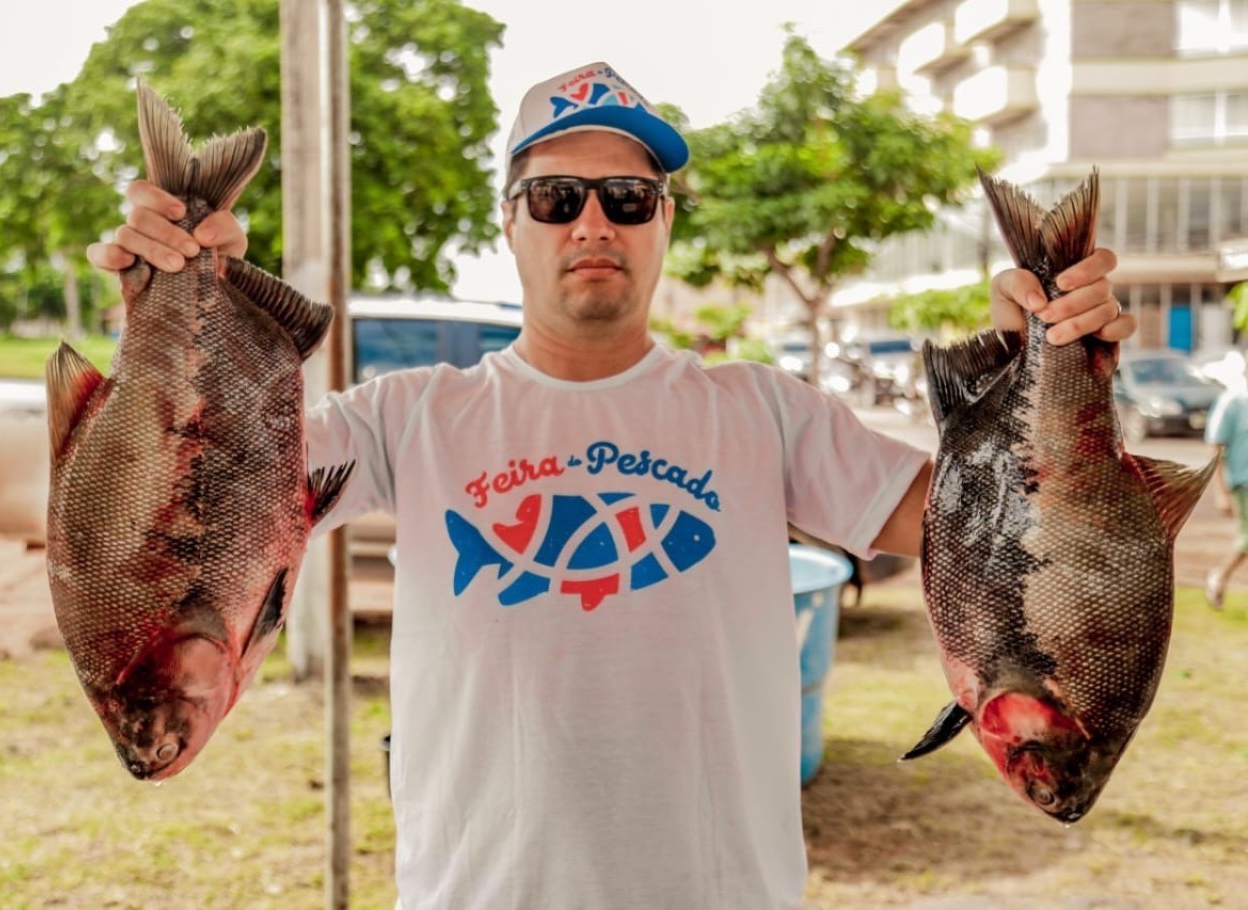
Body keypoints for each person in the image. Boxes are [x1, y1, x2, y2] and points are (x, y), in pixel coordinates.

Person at [88, 61, 1133, 910]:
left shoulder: (765, 410)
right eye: (557, 197)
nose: (593, 222)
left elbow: (982, 535)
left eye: (627, 198)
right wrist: (163, 305)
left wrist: (1047, 364)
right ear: (511, 223)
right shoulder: (408, 416)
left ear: (662, 223)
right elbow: (194, 491)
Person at [1204, 374, 1248, 609]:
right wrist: (1220, 492)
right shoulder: (1233, 401)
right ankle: (1218, 578)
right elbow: (1216, 446)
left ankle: (1219, 578)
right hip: (1244, 482)